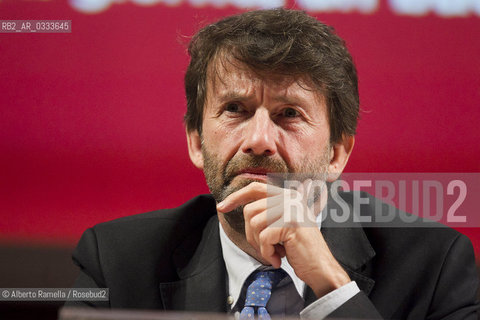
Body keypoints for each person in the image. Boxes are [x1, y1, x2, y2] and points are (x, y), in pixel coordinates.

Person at [67, 8, 479, 319]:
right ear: (195, 141)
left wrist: (332, 285)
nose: (259, 141)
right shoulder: (118, 262)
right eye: (235, 109)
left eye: (289, 114)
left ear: (337, 153)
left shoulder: (434, 267)